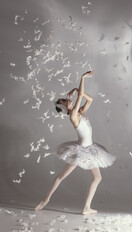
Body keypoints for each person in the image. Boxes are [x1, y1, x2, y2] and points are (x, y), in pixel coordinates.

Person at [35, 71, 116, 215]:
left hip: (90, 149)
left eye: (64, 98)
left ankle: (86, 207)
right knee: (61, 176)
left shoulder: (79, 112)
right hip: (80, 151)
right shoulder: (73, 116)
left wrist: (78, 89)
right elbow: (80, 97)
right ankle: (45, 200)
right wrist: (82, 78)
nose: (67, 99)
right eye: (63, 101)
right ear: (64, 108)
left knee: (98, 177)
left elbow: (89, 99)